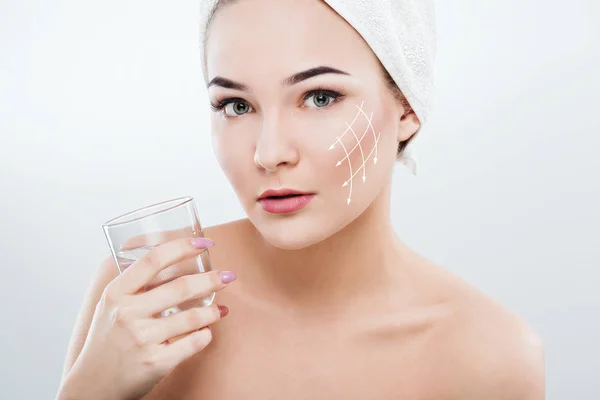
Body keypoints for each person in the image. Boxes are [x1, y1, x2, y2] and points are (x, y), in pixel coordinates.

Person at [57, 0, 545, 399]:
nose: (269, 154)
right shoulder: (148, 296)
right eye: (236, 105)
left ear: (408, 107)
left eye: (319, 97)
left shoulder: (488, 357)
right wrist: (88, 392)